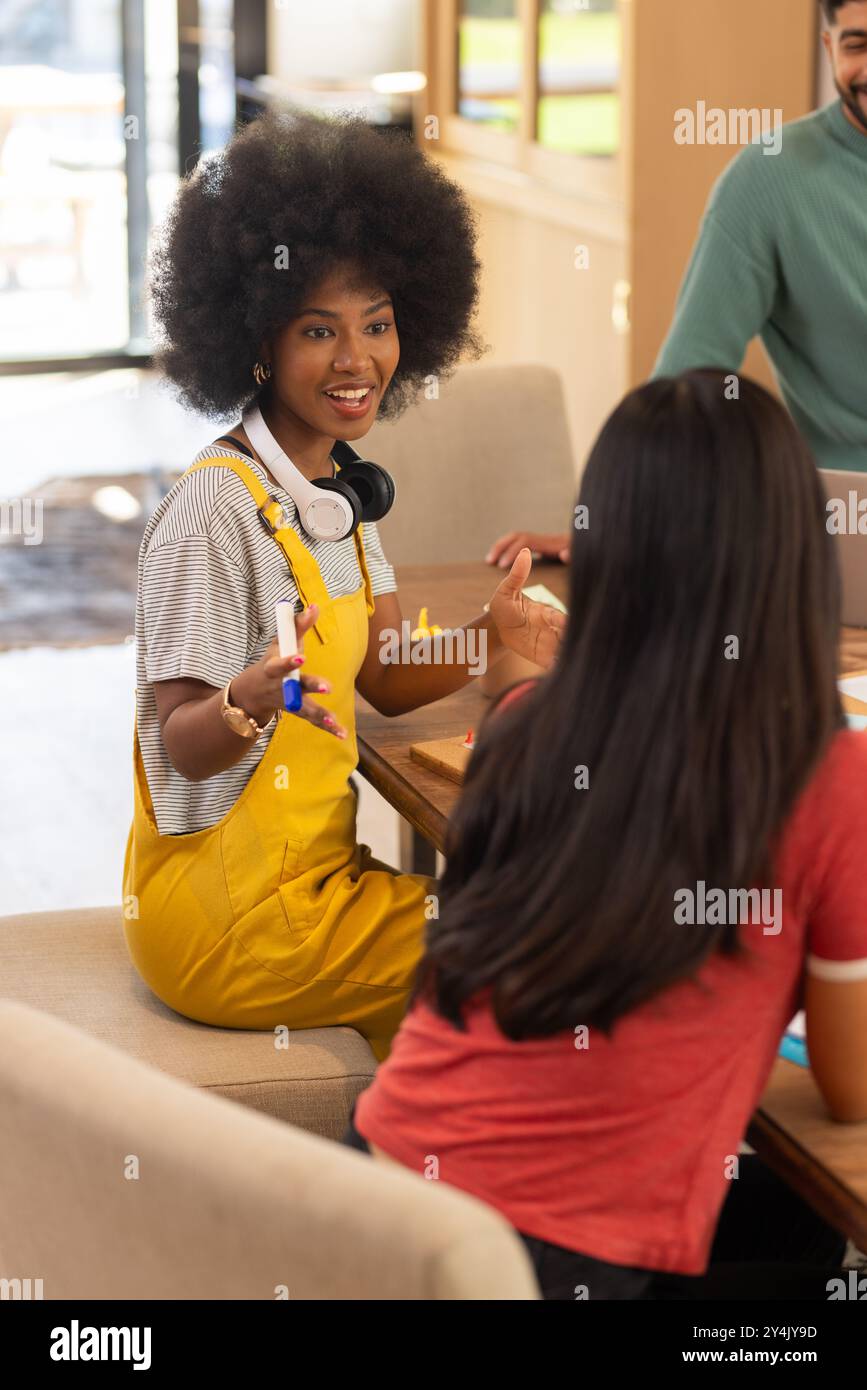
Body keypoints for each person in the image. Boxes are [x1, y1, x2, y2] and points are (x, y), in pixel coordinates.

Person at [345, 370, 867, 1298]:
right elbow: (850, 1091)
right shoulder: (828, 776)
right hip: (543, 1268)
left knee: (787, 1216)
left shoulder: (523, 724)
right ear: (794, 551)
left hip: (378, 1197)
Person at [122, 110, 565, 1062]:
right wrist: (246, 698)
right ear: (255, 342)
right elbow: (182, 745)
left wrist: (490, 635)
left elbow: (387, 672)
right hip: (227, 910)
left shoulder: (339, 497)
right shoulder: (213, 512)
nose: (356, 359)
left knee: (527, 929)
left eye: (377, 324)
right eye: (318, 329)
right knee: (529, 957)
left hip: (317, 882)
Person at [486, 0, 867, 567]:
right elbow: (686, 382)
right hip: (845, 536)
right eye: (858, 44)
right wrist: (612, 526)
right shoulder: (770, 181)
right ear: (829, 46)